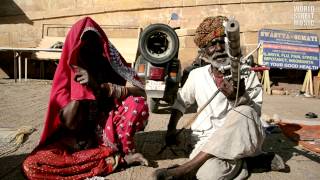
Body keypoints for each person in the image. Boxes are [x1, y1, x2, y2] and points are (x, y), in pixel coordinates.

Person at [152, 16, 284, 180]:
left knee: (243, 110)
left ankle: (186, 168)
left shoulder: (246, 73)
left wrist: (239, 98)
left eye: (223, 42)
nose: (219, 48)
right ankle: (250, 163)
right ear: (203, 52)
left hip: (243, 139)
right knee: (208, 175)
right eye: (212, 44)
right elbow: (180, 103)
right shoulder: (196, 75)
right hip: (206, 142)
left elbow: (253, 116)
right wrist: (171, 130)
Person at [22, 17, 149, 179]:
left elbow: (141, 93)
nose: (91, 49)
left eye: (95, 43)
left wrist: (101, 87)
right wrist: (80, 92)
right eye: (85, 45)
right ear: (75, 47)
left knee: (136, 103)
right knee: (32, 165)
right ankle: (115, 160)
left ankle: (117, 154)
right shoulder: (68, 75)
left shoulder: (108, 64)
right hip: (73, 142)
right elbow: (70, 124)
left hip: (103, 134)